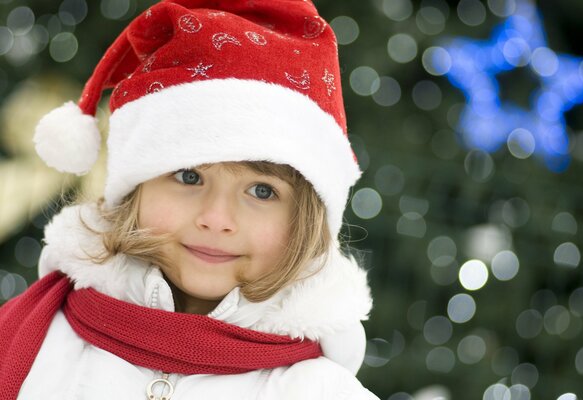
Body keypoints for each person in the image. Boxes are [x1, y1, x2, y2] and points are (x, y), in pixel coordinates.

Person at [0, 0, 378, 399]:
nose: (216, 218)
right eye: (188, 176)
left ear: (307, 220)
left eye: (262, 191)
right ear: (136, 187)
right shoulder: (31, 340)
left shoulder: (319, 392)